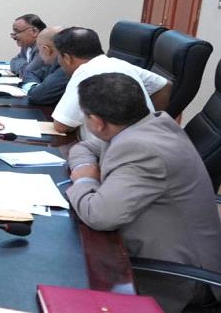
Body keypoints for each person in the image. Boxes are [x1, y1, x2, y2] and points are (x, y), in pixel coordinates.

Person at [66, 73, 221, 312]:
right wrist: (84, 167)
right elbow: (84, 148)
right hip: (154, 250)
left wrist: (84, 179)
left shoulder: (141, 150)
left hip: (178, 281)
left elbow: (98, 215)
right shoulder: (147, 124)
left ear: (97, 122)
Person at [51, 27, 171, 135]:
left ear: (67, 58)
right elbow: (164, 85)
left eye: (59, 57)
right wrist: (149, 120)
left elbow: (61, 126)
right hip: (146, 138)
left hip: (111, 149)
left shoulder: (85, 72)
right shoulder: (120, 64)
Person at [21, 26, 68, 106]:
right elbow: (31, 73)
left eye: (39, 50)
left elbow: (37, 96)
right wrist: (35, 86)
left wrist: (34, 88)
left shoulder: (67, 67)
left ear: (47, 50)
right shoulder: (53, 63)